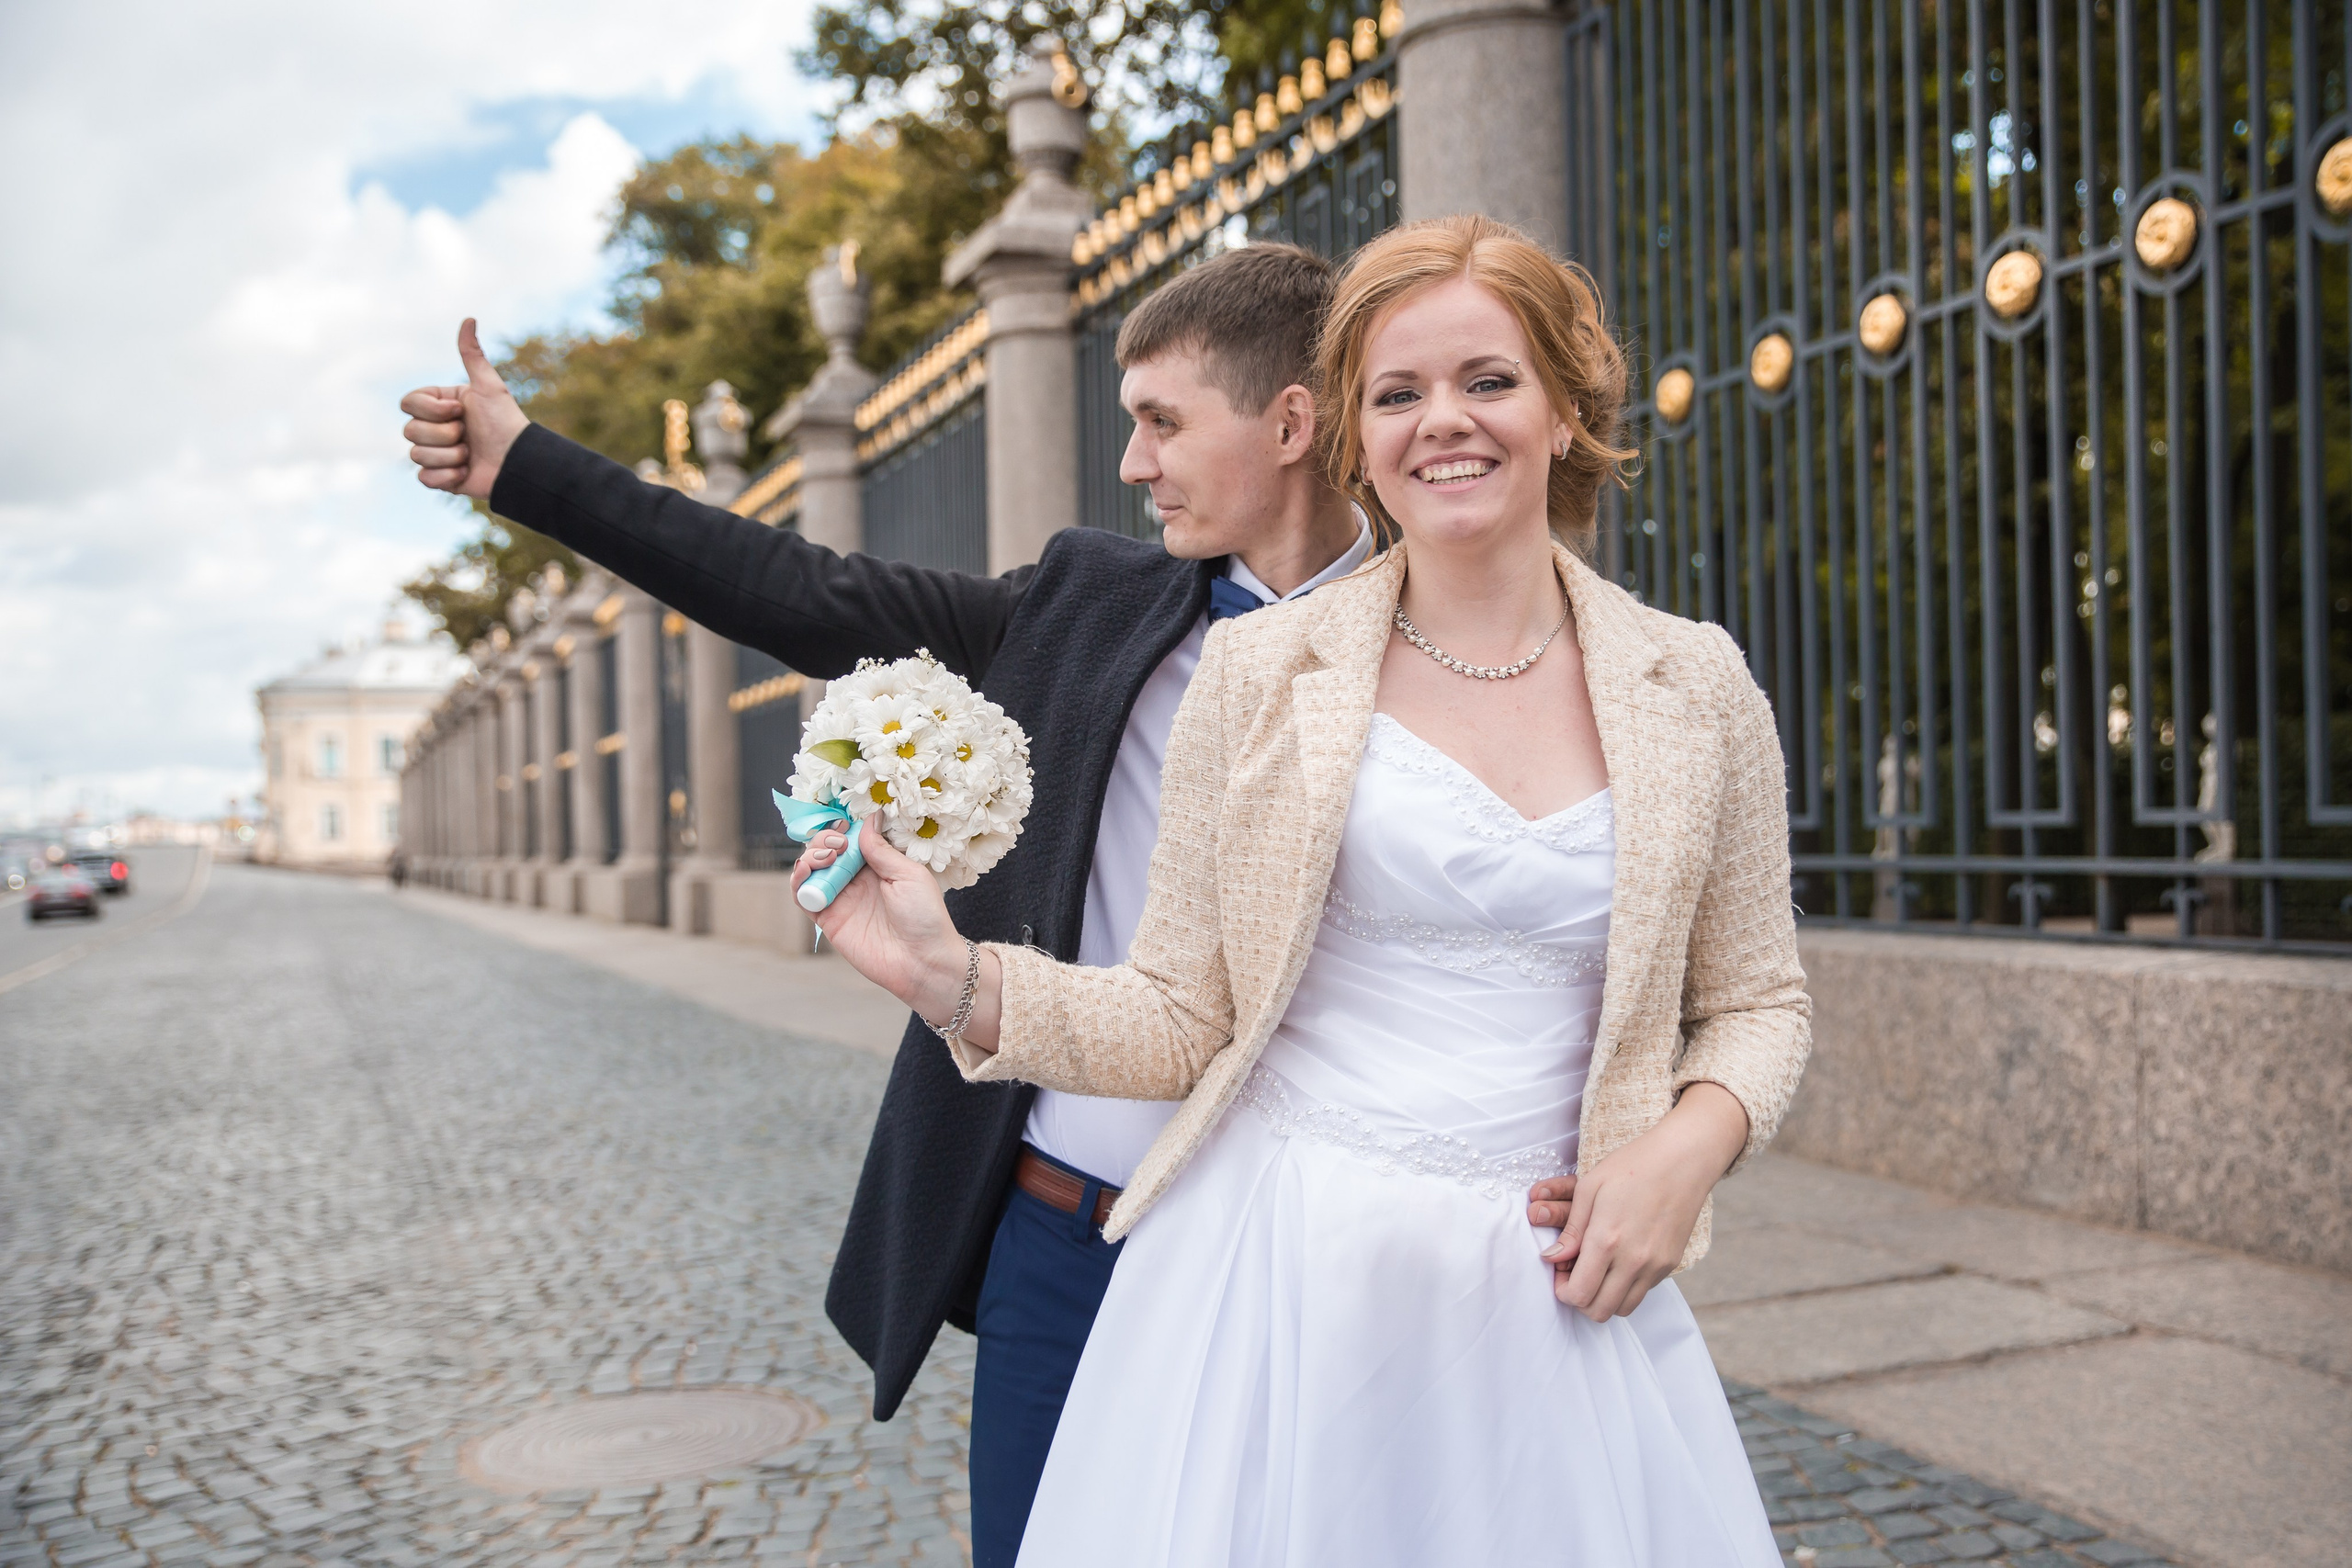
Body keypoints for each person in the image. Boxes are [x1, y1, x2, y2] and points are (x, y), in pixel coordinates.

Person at [791, 213, 1811, 1566]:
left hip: (1555, 1305)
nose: (1443, 422)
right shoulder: (1263, 676)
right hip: (1275, 1288)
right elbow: (1177, 1014)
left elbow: (1758, 1000)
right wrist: (945, 974)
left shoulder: (1696, 684)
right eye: (1398, 394)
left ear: (1565, 409)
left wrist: (1689, 1149)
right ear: (1352, 434)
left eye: (1488, 381)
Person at [395, 243, 1370, 1566]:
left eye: (1160, 423)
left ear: (1293, 424)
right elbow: (809, 595)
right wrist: (530, 468)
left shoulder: (1435, 641)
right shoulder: (1091, 602)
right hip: (1064, 1229)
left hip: (1302, 1253)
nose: (1132, 463)